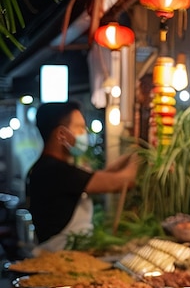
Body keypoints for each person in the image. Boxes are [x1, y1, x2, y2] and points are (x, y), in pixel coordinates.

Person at [25, 101, 139, 253]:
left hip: (69, 254)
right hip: (60, 260)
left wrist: (130, 155)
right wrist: (141, 156)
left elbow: (102, 176)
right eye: (79, 128)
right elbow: (121, 182)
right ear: (61, 134)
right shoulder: (54, 171)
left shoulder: (48, 168)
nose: (84, 133)